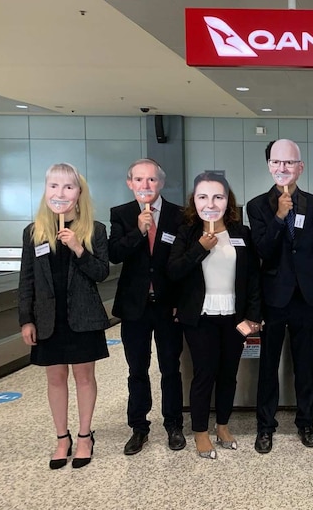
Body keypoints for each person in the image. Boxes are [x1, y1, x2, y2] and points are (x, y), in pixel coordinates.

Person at [18, 163, 110, 469]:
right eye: (54, 186)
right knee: (55, 379)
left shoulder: (94, 230)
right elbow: (27, 279)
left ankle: (85, 435)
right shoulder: (34, 233)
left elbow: (101, 273)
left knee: (85, 378)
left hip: (83, 318)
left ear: (79, 192)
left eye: (68, 187)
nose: (61, 193)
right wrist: (26, 319)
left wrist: (77, 248)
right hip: (48, 320)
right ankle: (62, 438)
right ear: (46, 191)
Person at [166, 172, 261, 459]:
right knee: (204, 374)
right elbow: (174, 271)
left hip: (234, 317)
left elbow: (253, 277)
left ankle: (222, 425)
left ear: (227, 200)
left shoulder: (240, 233)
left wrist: (253, 316)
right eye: (203, 197)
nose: (211, 203)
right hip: (201, 316)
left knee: (228, 374)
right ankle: (200, 431)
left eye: (218, 196)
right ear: (194, 202)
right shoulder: (186, 233)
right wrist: (200, 249)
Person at [247, 139, 313, 453]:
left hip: (306, 298)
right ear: (269, 166)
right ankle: (265, 426)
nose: (283, 168)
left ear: (300, 167)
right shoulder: (256, 206)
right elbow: (262, 250)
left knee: (305, 364)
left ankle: (306, 422)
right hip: (273, 298)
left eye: (289, 163)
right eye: (277, 163)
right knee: (268, 365)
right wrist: (280, 217)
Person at [108, 158, 186, 455]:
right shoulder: (122, 215)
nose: (145, 185)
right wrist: (138, 231)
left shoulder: (179, 215)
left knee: (171, 368)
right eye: (139, 180)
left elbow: (183, 265)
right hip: (134, 308)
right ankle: (139, 427)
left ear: (161, 183)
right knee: (136, 369)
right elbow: (115, 254)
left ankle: (174, 424)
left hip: (168, 306)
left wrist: (180, 302)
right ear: (130, 183)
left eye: (151, 180)